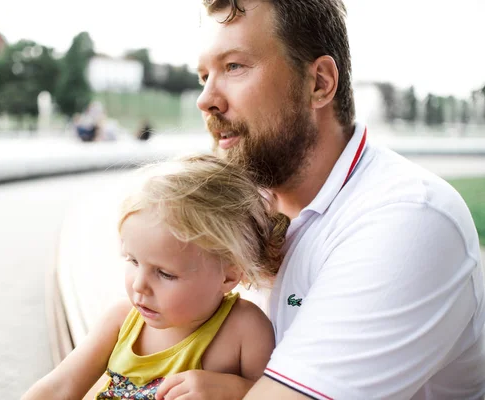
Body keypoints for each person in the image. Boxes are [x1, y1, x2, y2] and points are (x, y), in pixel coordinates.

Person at [175, 0, 484, 399]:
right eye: (203, 76)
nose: (205, 99)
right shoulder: (239, 212)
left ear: (319, 83)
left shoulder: (409, 218)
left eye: (234, 67)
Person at [21, 154, 290, 400]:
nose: (139, 285)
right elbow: (59, 387)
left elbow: (276, 396)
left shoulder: (244, 329)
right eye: (133, 260)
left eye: (164, 273)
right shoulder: (122, 321)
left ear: (229, 274)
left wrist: (234, 390)